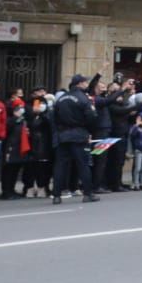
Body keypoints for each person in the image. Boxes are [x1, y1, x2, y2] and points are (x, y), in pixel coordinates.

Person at [51, 74, 98, 205]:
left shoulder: (61, 99)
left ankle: (56, 196)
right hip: (78, 134)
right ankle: (88, 194)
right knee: (83, 165)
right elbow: (91, 117)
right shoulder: (83, 98)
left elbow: (53, 118)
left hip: (63, 136)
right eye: (84, 82)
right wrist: (89, 132)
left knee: (60, 166)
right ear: (79, 84)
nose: (86, 84)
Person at [23, 90, 53, 198]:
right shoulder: (29, 117)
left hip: (43, 146)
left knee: (42, 168)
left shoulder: (47, 116)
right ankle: (29, 187)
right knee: (30, 168)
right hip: (31, 145)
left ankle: (41, 187)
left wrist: (43, 113)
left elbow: (50, 126)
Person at [0, 100, 29, 200]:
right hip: (10, 146)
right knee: (9, 170)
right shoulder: (10, 119)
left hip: (18, 147)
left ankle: (11, 189)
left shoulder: (22, 120)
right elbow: (6, 130)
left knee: (15, 169)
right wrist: (15, 118)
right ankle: (6, 191)